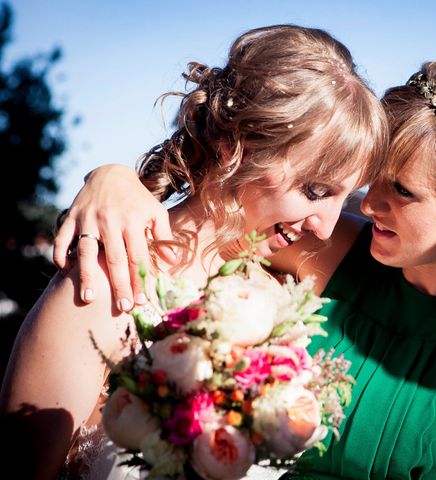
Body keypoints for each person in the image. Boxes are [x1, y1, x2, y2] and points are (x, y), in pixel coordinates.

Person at [54, 55, 436, 479]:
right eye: (373, 180)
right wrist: (114, 180)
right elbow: (214, 208)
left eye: (402, 192)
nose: (367, 204)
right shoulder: (329, 250)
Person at [0, 24, 387, 479]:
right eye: (315, 190)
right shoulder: (107, 282)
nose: (326, 228)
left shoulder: (278, 295)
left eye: (344, 197)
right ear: (232, 146)